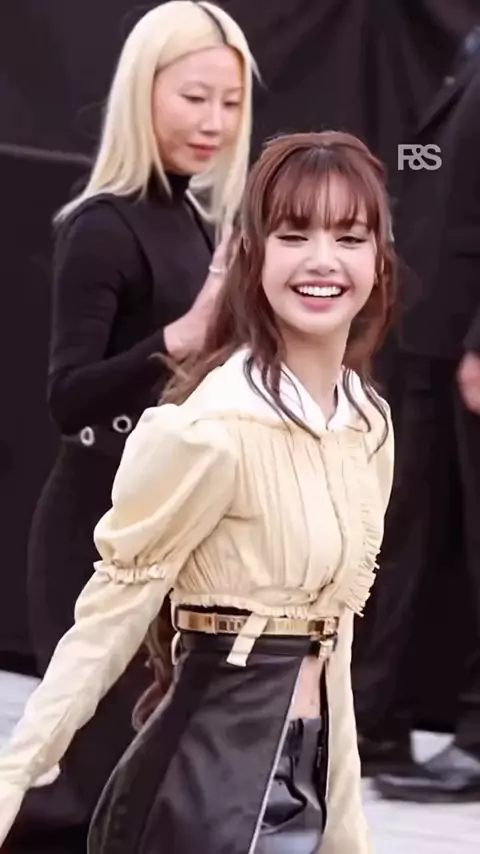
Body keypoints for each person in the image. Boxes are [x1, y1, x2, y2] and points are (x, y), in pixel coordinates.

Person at [0, 129, 396, 854]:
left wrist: (347, 829)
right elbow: (106, 621)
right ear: (251, 255)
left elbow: (332, 644)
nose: (322, 259)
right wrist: (12, 778)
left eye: (349, 236)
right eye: (293, 235)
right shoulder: (209, 429)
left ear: (379, 260)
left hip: (307, 781)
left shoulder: (366, 425)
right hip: (199, 796)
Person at [12, 2, 255, 850]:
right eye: (194, 97)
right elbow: (69, 397)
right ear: (142, 91)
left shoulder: (195, 220)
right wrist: (182, 336)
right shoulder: (102, 225)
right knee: (92, 784)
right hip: (94, 536)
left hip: (163, 531)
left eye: (230, 102)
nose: (214, 121)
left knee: (144, 786)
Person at [353, 28, 480, 800]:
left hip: (467, 341)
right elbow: (432, 162)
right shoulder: (468, 50)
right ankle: (372, 720)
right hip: (427, 331)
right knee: (403, 532)